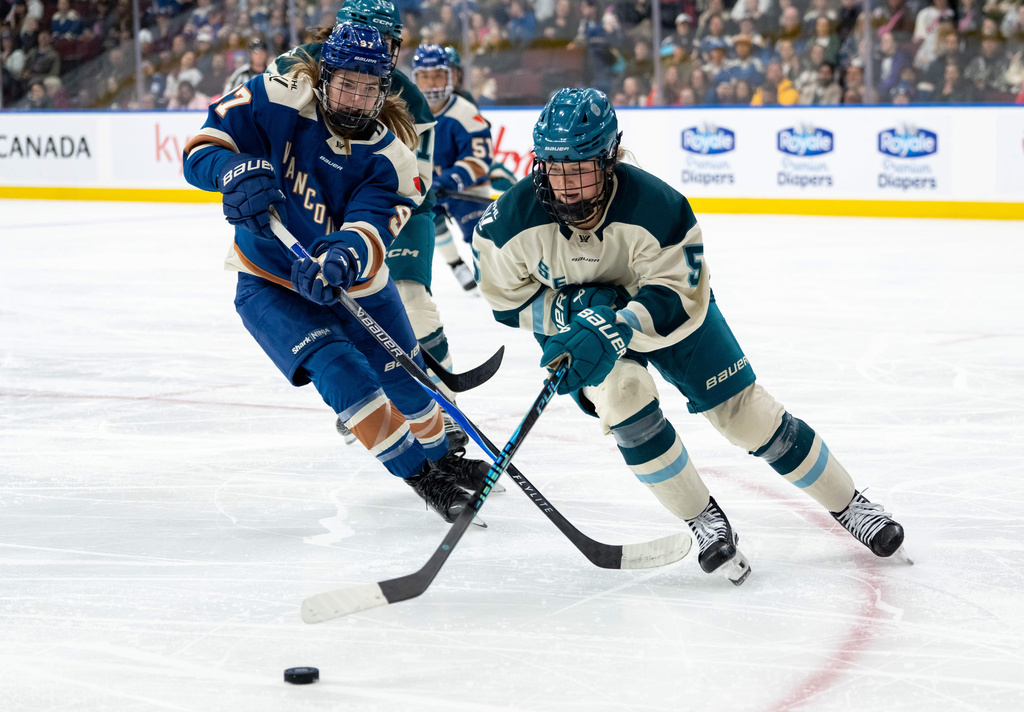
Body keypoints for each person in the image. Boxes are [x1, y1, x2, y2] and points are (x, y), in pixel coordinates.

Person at [472, 87, 909, 584]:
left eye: (580, 168)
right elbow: (505, 301)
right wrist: (567, 311)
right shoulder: (507, 222)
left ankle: (850, 504)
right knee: (624, 399)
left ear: (609, 158)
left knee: (747, 416)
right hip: (584, 330)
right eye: (554, 167)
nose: (566, 185)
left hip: (667, 321)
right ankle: (702, 518)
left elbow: (679, 296)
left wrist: (618, 323)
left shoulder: (659, 207)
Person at [182, 23, 490, 524]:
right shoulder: (274, 96)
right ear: (324, 78)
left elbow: (368, 228)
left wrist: (342, 259)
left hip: (359, 286)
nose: (355, 98)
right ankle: (425, 479)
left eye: (369, 88)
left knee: (409, 380)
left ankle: (445, 458)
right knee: (343, 377)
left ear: (383, 90)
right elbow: (202, 147)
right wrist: (229, 172)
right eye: (346, 83)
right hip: (268, 281)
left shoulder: (393, 157)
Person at [268, 0, 473, 443]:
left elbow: (411, 184)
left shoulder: (409, 98)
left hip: (395, 204)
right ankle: (371, 387)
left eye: (383, 42)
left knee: (410, 300)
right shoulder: (298, 66)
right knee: (339, 303)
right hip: (321, 203)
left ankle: (445, 410)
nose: (371, 49)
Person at [411, 44, 494, 294]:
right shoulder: (406, 111)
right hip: (429, 187)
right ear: (415, 78)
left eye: (438, 75)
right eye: (425, 76)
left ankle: (492, 275)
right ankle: (457, 264)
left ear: (450, 76)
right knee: (428, 220)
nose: (432, 82)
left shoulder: (465, 112)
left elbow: (479, 159)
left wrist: (450, 180)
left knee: (479, 234)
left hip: (465, 187)